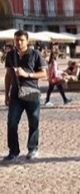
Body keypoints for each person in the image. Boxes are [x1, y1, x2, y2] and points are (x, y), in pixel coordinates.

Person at [3, 29, 47, 161]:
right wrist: (6, 94)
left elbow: (44, 73)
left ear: (27, 41)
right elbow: (8, 75)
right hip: (16, 94)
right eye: (16, 40)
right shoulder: (11, 55)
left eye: (21, 40)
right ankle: (13, 151)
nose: (19, 42)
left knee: (33, 122)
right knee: (11, 122)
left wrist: (27, 75)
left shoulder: (36, 54)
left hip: (32, 93)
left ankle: (33, 148)